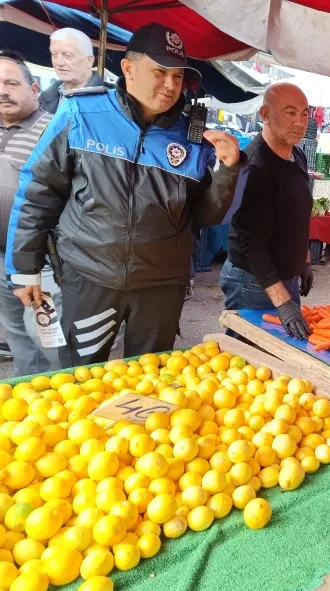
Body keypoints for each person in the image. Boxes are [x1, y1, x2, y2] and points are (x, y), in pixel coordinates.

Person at [7, 23, 242, 366]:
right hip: (89, 277)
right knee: (80, 379)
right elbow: (38, 192)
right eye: (160, 72)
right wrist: (24, 268)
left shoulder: (194, 136)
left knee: (148, 385)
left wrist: (227, 170)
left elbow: (206, 216)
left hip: (161, 286)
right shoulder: (81, 113)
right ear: (129, 68)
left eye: (178, 77)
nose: (170, 85)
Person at [220, 83, 313, 340]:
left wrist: (304, 260)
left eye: (304, 114)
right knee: (246, 361)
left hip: (285, 278)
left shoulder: (297, 156)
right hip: (252, 282)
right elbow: (252, 245)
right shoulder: (254, 165)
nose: (300, 122)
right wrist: (283, 303)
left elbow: (297, 214)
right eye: (290, 112)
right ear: (265, 115)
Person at [0, 51, 63, 374]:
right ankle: (30, 396)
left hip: (42, 259)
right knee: (16, 334)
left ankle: (66, 397)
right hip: (2, 257)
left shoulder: (52, 130)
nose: (2, 91)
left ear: (35, 89)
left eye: (11, 83)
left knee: (48, 337)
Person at [40, 28, 105, 114]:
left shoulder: (109, 103)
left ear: (89, 60)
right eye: (54, 54)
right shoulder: (43, 100)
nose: (59, 62)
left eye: (67, 55)